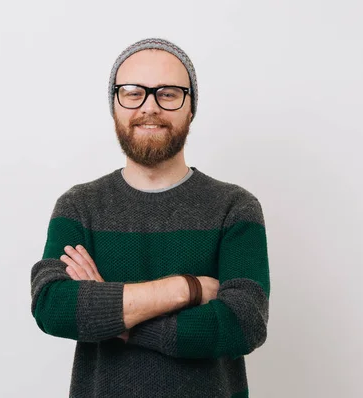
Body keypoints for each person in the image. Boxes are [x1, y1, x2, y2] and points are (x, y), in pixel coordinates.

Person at [30, 37, 270, 398]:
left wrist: (116, 320)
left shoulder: (234, 207)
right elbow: (53, 306)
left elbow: (243, 323)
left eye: (169, 93)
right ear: (114, 105)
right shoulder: (79, 206)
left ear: (191, 108)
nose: (150, 107)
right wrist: (184, 289)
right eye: (132, 92)